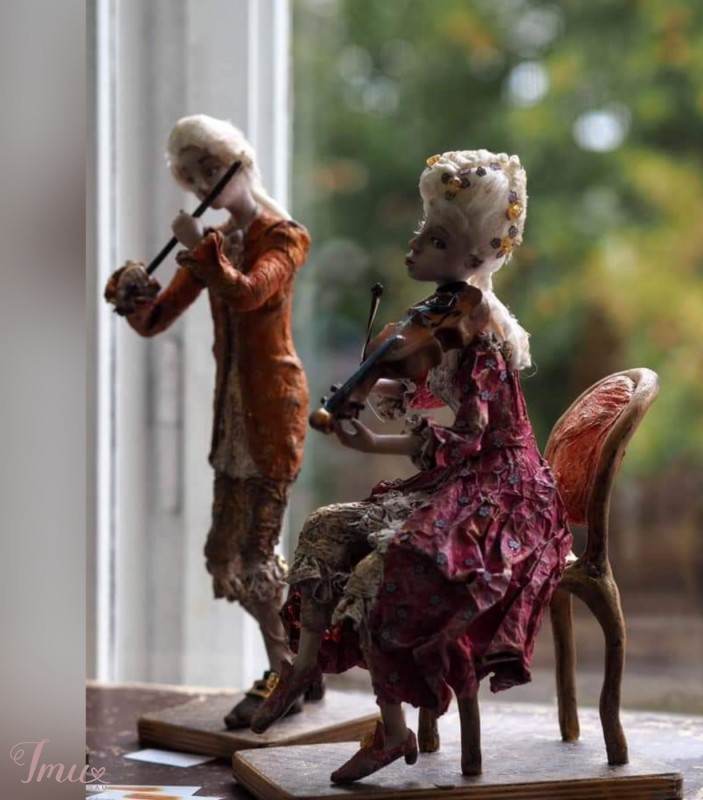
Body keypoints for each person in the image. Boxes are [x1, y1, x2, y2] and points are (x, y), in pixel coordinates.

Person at [249, 149, 573, 783]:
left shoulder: (479, 334)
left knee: (387, 565)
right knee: (326, 526)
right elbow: (427, 412)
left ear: (476, 256)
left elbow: (473, 437)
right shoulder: (440, 319)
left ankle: (391, 730)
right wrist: (367, 415)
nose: (416, 247)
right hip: (458, 476)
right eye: (423, 232)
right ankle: (300, 667)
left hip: (504, 490)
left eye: (436, 240)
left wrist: (390, 437)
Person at [104, 114, 319, 728]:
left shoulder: (285, 236)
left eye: (210, 169)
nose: (202, 185)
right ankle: (302, 661)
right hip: (233, 417)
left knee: (254, 556)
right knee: (223, 554)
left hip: (273, 412)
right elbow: (157, 317)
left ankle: (287, 671)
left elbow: (249, 292)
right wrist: (133, 293)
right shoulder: (215, 242)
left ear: (241, 163)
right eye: (191, 176)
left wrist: (202, 250)